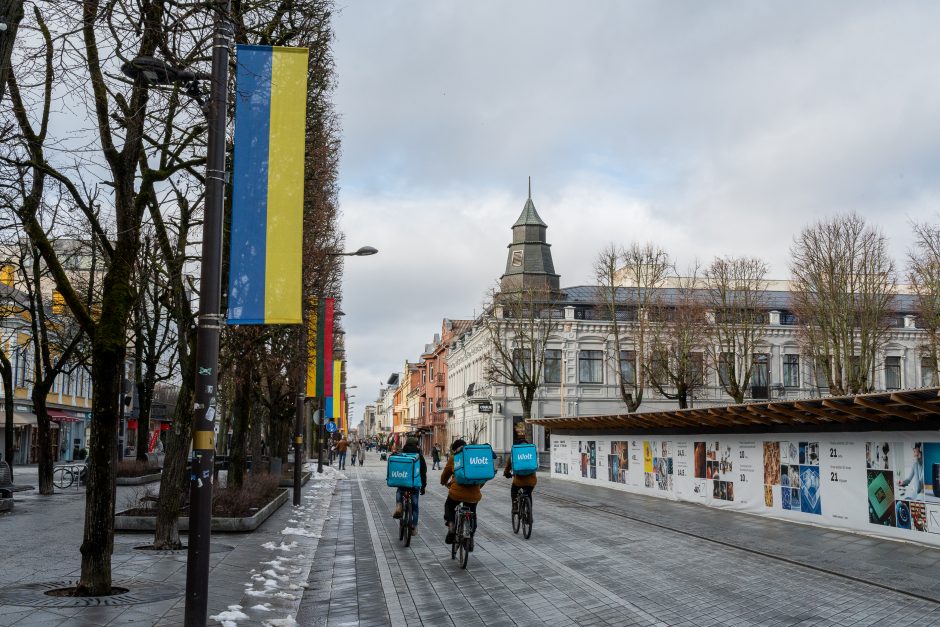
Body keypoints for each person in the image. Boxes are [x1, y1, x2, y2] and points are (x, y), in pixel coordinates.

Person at [440, 439, 482, 545]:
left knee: (449, 506)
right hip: (474, 494)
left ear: (454, 450)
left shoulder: (454, 458)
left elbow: (445, 474)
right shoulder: (474, 457)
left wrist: (443, 482)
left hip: (456, 494)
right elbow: (482, 477)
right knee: (473, 512)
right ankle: (470, 538)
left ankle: (451, 526)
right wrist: (478, 487)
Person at [392, 437, 427, 533]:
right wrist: (423, 486)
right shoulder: (419, 456)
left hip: (403, 482)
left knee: (399, 491)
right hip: (415, 485)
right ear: (416, 445)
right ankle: (414, 527)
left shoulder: (402, 453)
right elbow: (423, 472)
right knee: (415, 507)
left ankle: (399, 506)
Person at [504, 439, 537, 514]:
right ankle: (529, 513)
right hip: (531, 481)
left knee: (514, 490)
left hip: (519, 481)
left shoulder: (515, 452)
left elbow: (508, 465)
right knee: (528, 494)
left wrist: (506, 473)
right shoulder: (531, 451)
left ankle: (515, 505)